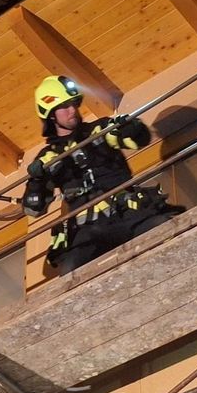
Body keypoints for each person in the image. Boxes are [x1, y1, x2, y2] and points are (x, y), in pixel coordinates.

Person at [22, 75, 184, 274]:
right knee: (70, 274)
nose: (73, 110)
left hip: (130, 213)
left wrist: (131, 127)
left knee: (167, 231)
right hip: (88, 231)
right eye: (64, 107)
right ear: (50, 115)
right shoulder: (48, 158)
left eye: (74, 103)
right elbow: (34, 209)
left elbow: (139, 138)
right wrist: (36, 181)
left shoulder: (99, 130)